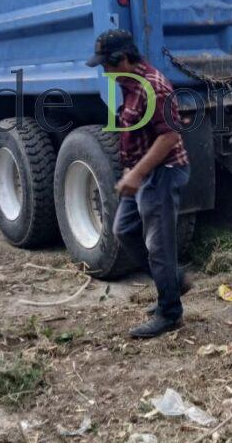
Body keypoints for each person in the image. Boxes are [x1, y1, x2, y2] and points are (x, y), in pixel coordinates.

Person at [85, 29, 190, 338]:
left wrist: (136, 174)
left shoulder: (154, 87)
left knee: (158, 247)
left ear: (126, 60)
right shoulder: (129, 82)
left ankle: (170, 312)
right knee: (124, 230)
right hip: (143, 172)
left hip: (162, 171)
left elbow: (169, 136)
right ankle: (173, 280)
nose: (105, 72)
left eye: (108, 66)